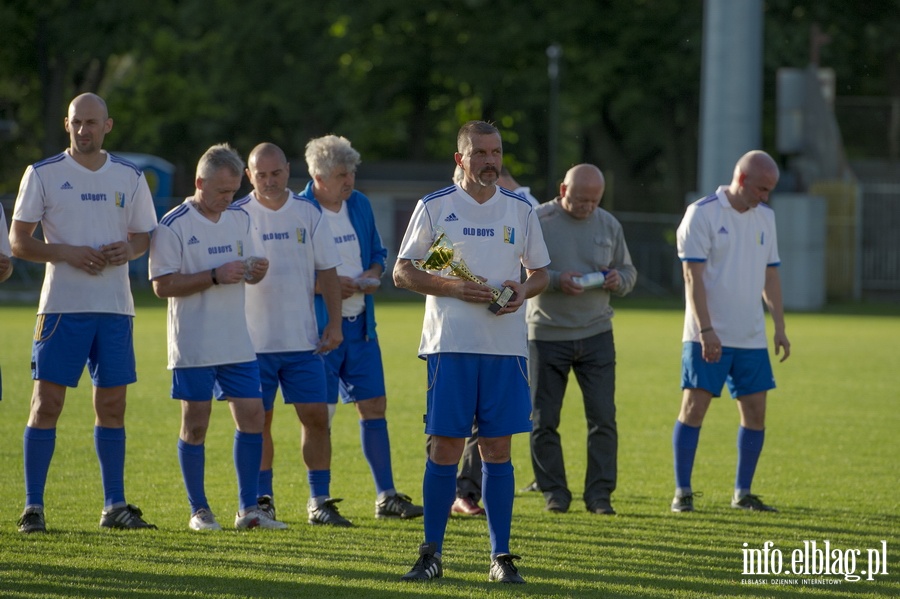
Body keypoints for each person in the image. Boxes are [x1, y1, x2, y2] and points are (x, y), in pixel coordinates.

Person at [393, 120, 550, 584]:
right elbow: (403, 272)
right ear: (460, 158)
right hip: (451, 346)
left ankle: (500, 558)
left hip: (505, 349)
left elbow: (540, 271)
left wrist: (522, 290)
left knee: (497, 449)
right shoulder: (436, 206)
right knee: (445, 448)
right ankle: (431, 554)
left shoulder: (520, 209)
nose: (490, 161)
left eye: (496, 152)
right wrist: (453, 286)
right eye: (479, 153)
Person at [9, 93, 158, 533]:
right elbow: (19, 241)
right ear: (67, 123)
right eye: (77, 122)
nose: (84, 130)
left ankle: (114, 506)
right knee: (47, 404)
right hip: (62, 309)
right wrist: (66, 253)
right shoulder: (43, 174)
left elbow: (143, 237)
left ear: (107, 125)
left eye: (92, 123)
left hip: (114, 310)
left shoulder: (130, 176)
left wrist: (127, 249)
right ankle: (33, 507)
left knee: (112, 405)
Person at [149, 143, 285, 531]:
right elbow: (161, 285)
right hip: (193, 342)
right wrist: (213, 275)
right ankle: (199, 510)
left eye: (232, 192)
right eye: (221, 192)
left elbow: (250, 266)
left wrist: (255, 269)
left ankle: (249, 509)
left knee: (253, 417)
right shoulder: (172, 225)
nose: (228, 199)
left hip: (236, 340)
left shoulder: (239, 219)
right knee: (196, 423)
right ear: (199, 183)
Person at [300, 134, 423, 521]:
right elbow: (291, 275)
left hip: (362, 327)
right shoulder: (299, 212)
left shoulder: (361, 204)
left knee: (374, 407)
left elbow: (377, 253)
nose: (349, 181)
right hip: (318, 330)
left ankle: (386, 496)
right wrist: (332, 287)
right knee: (319, 415)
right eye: (341, 174)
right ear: (318, 177)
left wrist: (372, 273)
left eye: (351, 172)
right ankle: (318, 500)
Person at [238, 142, 350, 527]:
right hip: (252, 344)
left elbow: (329, 272)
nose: (269, 181)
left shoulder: (308, 213)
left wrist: (334, 324)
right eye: (261, 174)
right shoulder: (236, 215)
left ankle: (319, 500)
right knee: (258, 423)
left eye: (276, 173)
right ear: (248, 175)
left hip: (303, 342)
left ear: (288, 170)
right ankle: (262, 500)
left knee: (316, 417)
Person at [671, 150, 790, 513]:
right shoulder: (702, 213)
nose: (765, 197)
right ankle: (683, 492)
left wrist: (779, 327)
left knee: (756, 413)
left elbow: (770, 274)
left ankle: (743, 493)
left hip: (751, 337)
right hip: (707, 335)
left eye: (770, 190)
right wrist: (706, 330)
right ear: (741, 180)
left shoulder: (765, 218)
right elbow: (692, 276)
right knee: (694, 409)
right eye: (762, 188)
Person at [526, 164, 637, 516]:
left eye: (595, 200)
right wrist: (558, 279)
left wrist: (618, 280)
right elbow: (519, 270)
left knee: (603, 418)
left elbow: (629, 271)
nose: (588, 207)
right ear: (562, 190)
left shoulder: (608, 224)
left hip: (597, 334)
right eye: (580, 200)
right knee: (543, 421)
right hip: (546, 334)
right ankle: (554, 493)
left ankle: (600, 495)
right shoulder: (539, 220)